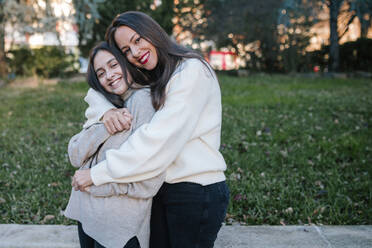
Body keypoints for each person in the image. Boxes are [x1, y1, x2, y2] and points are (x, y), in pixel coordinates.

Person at [72, 11, 230, 248]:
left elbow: (156, 140)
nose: (135, 53)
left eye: (137, 40)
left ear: (152, 32)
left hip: (195, 190)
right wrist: (106, 111)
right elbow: (98, 92)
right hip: (162, 191)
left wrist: (97, 175)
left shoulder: (191, 71)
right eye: (126, 50)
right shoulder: (157, 75)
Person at [64, 41, 164, 248]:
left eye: (113, 65)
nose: (108, 76)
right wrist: (106, 124)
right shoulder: (106, 106)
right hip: (87, 216)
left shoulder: (144, 102)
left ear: (127, 63)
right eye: (100, 73)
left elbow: (149, 179)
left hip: (119, 228)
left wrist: (93, 183)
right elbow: (75, 155)